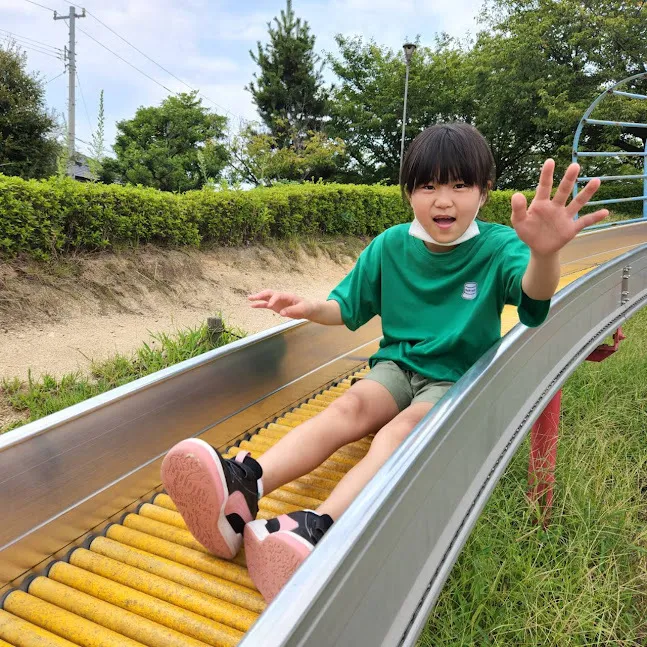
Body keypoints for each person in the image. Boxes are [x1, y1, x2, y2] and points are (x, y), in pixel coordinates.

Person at [161, 123, 607, 603]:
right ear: (409, 192)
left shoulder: (498, 246)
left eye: (460, 185)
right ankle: (246, 485)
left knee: (396, 433)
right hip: (396, 365)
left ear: (484, 192)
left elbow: (534, 300)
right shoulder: (391, 245)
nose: (443, 200)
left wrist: (545, 253)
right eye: (428, 185)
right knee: (348, 409)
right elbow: (348, 306)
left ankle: (320, 525)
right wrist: (312, 307)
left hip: (453, 378)